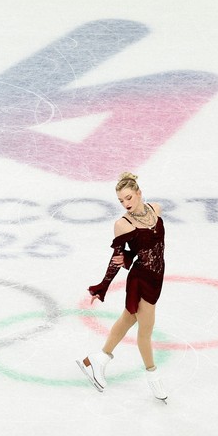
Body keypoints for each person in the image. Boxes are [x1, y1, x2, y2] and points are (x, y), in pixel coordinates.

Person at [77, 172, 168, 402]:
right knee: (145, 331)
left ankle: (99, 358)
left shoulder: (155, 209)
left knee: (128, 319)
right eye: (121, 201)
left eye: (129, 197)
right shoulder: (122, 224)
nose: (126, 204)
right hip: (141, 280)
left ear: (138, 193)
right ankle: (153, 376)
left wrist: (130, 256)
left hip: (157, 277)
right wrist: (103, 286)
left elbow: (150, 246)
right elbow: (116, 259)